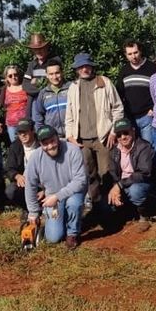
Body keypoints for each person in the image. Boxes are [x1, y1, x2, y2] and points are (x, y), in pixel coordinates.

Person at [65, 52, 124, 213]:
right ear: (76, 69)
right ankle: (96, 206)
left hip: (103, 137)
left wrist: (113, 131)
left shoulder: (104, 82)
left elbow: (118, 108)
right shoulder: (73, 87)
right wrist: (70, 135)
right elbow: (69, 114)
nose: (84, 69)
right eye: (81, 67)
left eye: (87, 66)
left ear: (92, 66)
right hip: (81, 140)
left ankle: (110, 206)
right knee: (89, 175)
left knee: (106, 173)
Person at [25, 125, 88, 249]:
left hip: (73, 192)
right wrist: (33, 212)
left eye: (52, 141)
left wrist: (57, 196)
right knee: (53, 238)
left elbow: (80, 180)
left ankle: (72, 233)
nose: (50, 146)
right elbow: (30, 185)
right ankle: (62, 220)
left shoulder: (73, 150)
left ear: (58, 138)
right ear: (40, 144)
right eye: (45, 143)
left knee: (73, 204)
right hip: (52, 196)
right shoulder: (35, 157)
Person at [105, 118, 156, 231]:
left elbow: (144, 173)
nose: (123, 137)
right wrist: (115, 189)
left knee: (135, 191)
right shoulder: (114, 150)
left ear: (133, 131)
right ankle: (126, 213)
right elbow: (113, 173)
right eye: (119, 135)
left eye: (126, 133)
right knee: (106, 196)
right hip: (122, 184)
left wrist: (119, 185)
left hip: (141, 183)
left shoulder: (144, 147)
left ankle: (144, 215)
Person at [115, 39, 156, 144]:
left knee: (147, 147)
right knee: (133, 148)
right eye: (130, 54)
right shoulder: (124, 71)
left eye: (135, 52)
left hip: (147, 117)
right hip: (130, 119)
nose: (133, 56)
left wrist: (153, 108)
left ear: (140, 51)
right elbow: (119, 94)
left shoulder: (152, 68)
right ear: (125, 55)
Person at [4, 118, 41, 216]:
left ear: (33, 131)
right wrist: (17, 176)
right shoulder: (15, 146)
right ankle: (26, 208)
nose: (22, 135)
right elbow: (9, 168)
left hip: (42, 182)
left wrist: (45, 189)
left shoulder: (42, 144)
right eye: (20, 133)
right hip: (25, 182)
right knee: (10, 191)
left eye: (25, 131)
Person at [32, 58, 71, 137]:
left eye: (57, 73)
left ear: (62, 72)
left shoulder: (71, 88)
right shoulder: (43, 93)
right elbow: (38, 115)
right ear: (47, 75)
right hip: (52, 137)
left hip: (72, 134)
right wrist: (41, 133)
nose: (54, 77)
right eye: (51, 74)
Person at [0, 64, 33, 142]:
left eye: (15, 74)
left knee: (28, 144)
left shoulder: (25, 87)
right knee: (15, 145)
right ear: (6, 78)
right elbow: (1, 107)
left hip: (25, 123)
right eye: (10, 76)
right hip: (11, 125)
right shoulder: (4, 90)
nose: (13, 77)